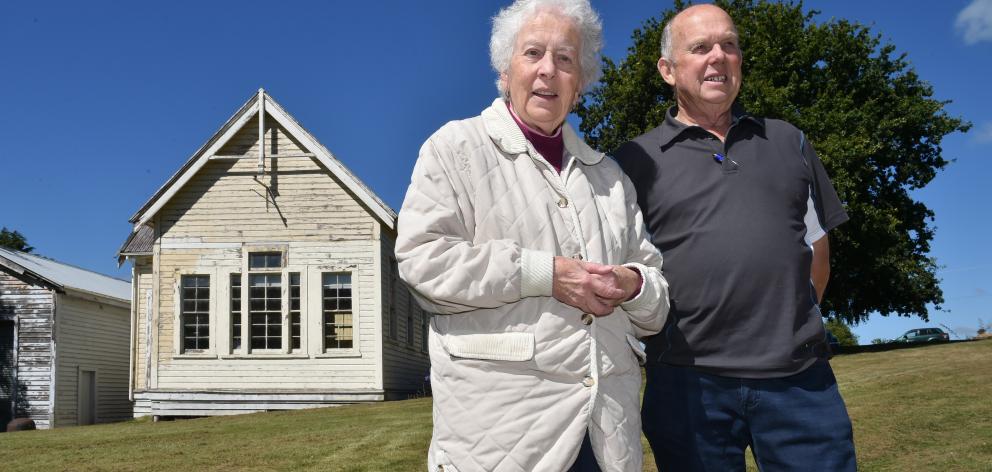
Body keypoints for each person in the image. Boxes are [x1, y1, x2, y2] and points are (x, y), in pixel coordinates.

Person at [396, 1, 670, 470]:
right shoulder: (454, 150)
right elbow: (423, 262)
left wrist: (634, 284)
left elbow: (657, 302)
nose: (548, 70)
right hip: (501, 441)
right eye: (533, 53)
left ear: (580, 83)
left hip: (604, 438)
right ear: (505, 70)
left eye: (565, 59)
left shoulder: (610, 178)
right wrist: (545, 274)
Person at [613, 4, 857, 471]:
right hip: (688, 389)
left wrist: (786, 331)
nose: (718, 57)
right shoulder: (631, 161)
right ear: (668, 69)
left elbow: (817, 248)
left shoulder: (789, 142)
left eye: (729, 45)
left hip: (801, 383)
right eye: (700, 47)